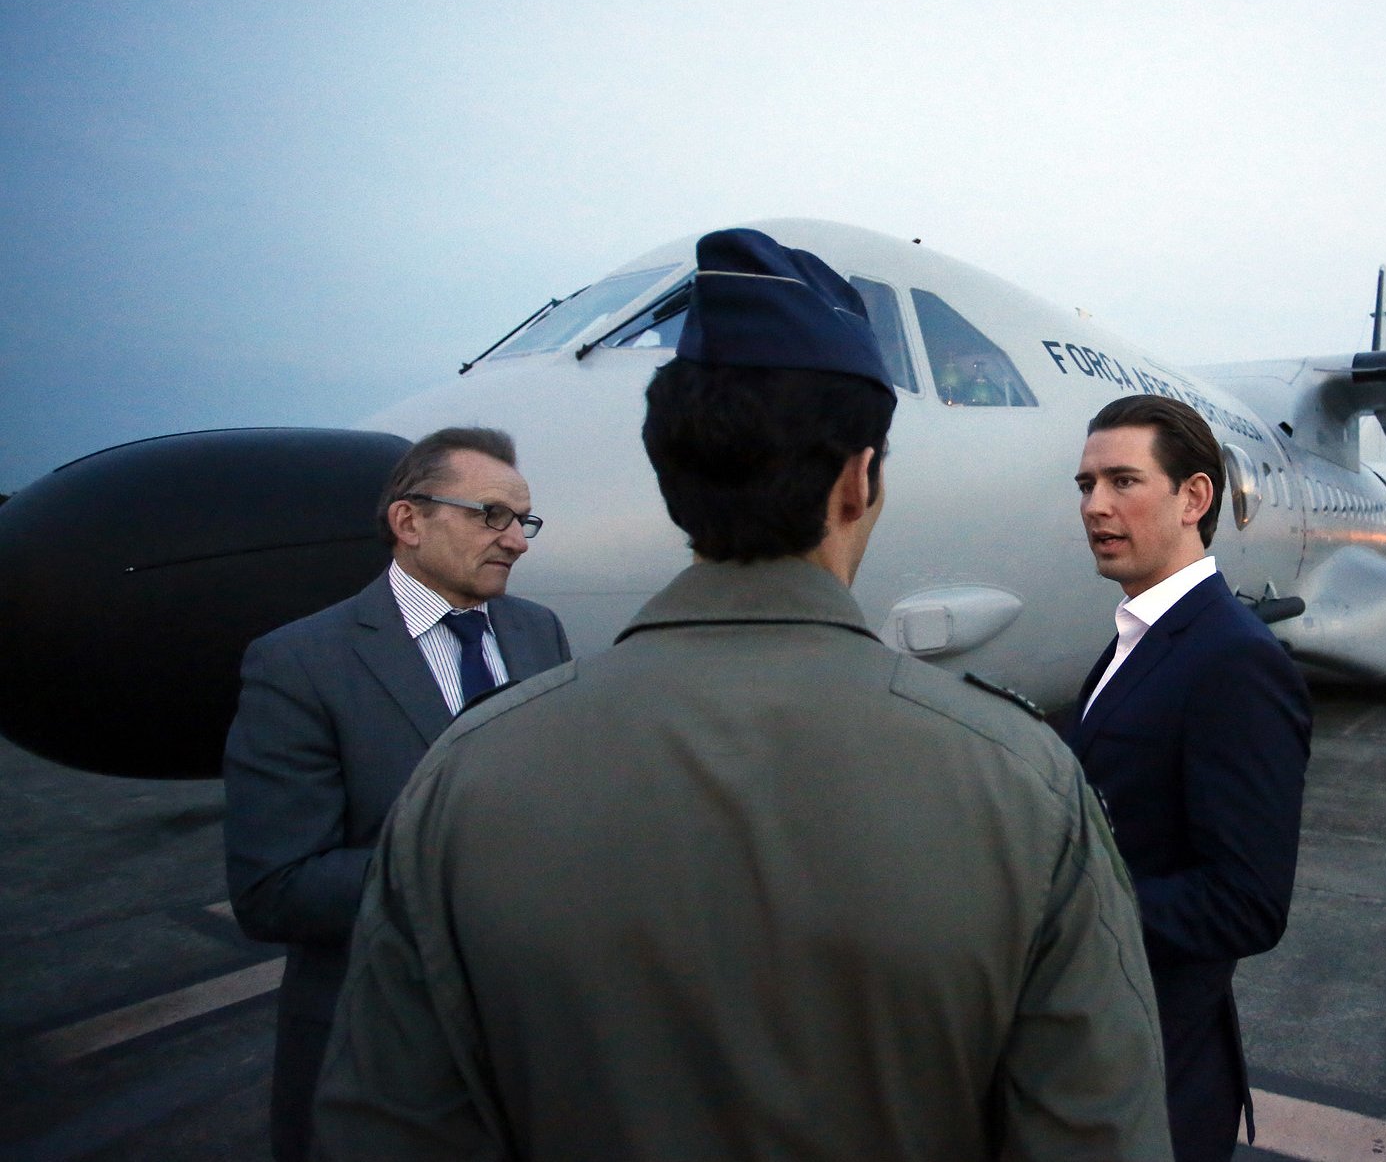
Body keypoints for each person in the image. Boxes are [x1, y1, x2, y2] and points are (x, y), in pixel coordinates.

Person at [312, 229, 1171, 1160]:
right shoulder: (1024, 784)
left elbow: (386, 1128)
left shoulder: (461, 781)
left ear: (674, 480)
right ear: (861, 479)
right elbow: (1096, 1133)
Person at [221, 426, 571, 1162]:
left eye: (523, 520)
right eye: (491, 515)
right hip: (377, 1060)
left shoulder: (540, 633)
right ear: (409, 521)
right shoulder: (300, 662)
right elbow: (275, 889)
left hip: (534, 1049)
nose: (517, 540)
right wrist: (464, 863)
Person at [1064, 394, 1314, 1162]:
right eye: (1084, 485)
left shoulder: (1232, 659)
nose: (1096, 506)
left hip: (1158, 1085)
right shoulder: (1141, 637)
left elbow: (1246, 902)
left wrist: (1061, 906)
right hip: (1104, 1059)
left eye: (1122, 481)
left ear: (1194, 497)